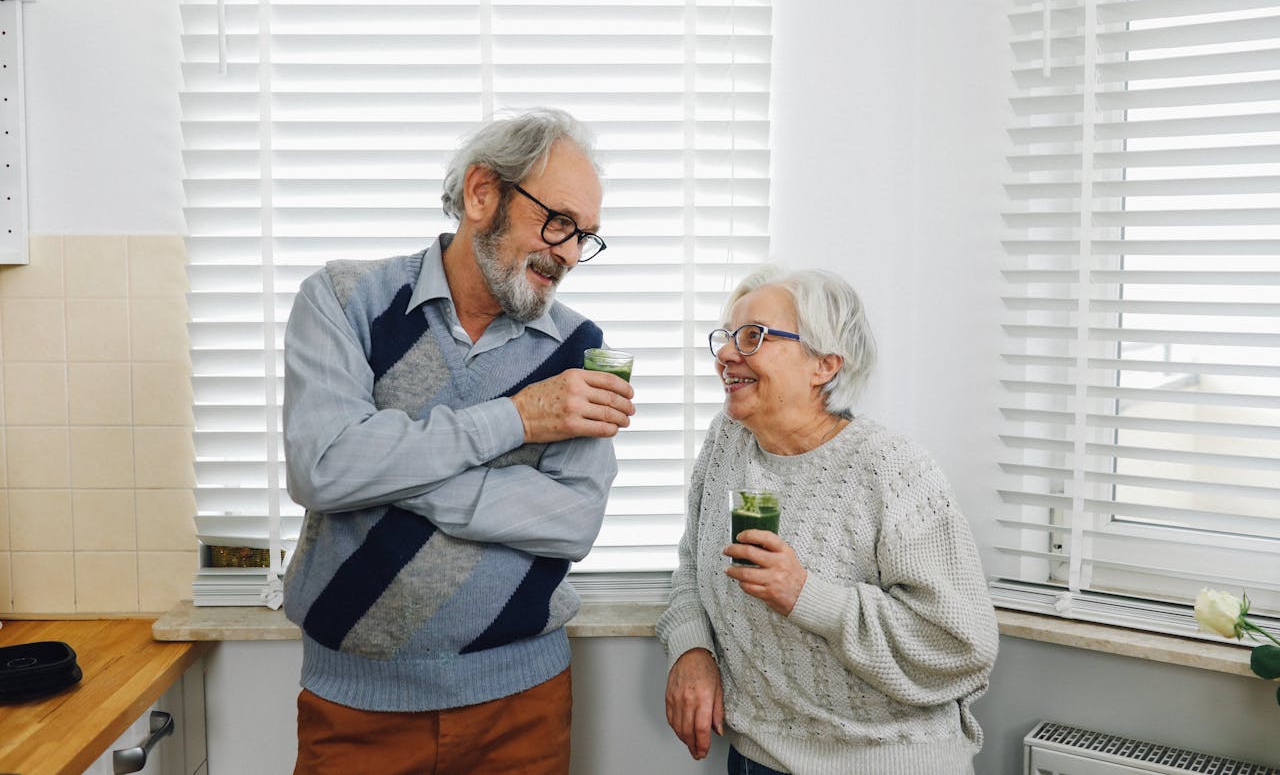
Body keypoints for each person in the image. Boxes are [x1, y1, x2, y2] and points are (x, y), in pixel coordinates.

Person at [281, 108, 635, 774]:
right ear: (481, 194)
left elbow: (573, 521)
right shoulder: (341, 299)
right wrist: (517, 420)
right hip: (356, 711)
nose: (566, 251)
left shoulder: (583, 349)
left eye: (584, 236)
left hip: (522, 708)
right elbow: (323, 465)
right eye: (557, 221)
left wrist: (389, 471)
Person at [657, 266, 998, 775]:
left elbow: (962, 645)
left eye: (753, 337)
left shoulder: (893, 469)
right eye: (727, 337)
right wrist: (691, 647)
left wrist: (806, 595)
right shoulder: (728, 442)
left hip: (886, 761)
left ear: (824, 365)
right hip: (756, 757)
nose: (726, 355)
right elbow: (693, 561)